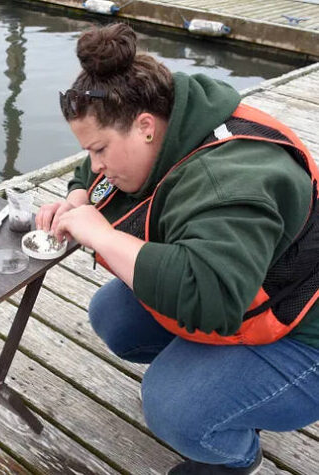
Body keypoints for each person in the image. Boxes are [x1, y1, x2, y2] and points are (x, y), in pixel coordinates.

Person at [37, 23, 319, 474]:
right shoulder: (172, 115)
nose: (95, 164)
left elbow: (211, 297)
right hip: (255, 293)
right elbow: (93, 166)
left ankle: (235, 455)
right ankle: (224, 386)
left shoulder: (229, 183)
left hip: (307, 336)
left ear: (145, 126)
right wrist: (78, 196)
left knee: (172, 408)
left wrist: (103, 235)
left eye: (100, 150)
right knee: (115, 316)